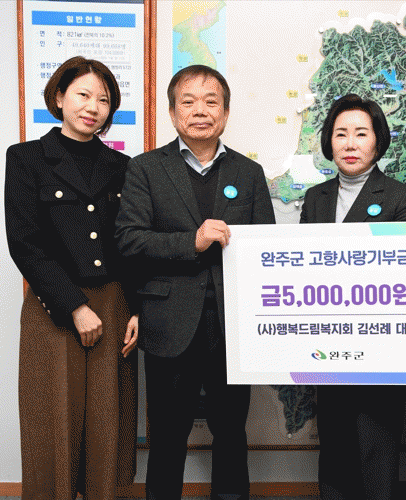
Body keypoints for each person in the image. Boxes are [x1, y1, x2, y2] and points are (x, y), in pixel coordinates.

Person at [115, 65, 275, 500]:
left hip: (232, 326)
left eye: (211, 101)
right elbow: (129, 240)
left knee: (231, 431)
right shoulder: (146, 169)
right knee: (168, 434)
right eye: (188, 102)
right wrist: (193, 241)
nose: (200, 111)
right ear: (172, 113)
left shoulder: (248, 172)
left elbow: (264, 249)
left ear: (225, 112)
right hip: (169, 322)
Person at [5, 56, 138, 500]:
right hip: (54, 306)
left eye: (104, 99)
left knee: (107, 421)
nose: (93, 107)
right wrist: (75, 306)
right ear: (60, 97)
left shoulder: (123, 166)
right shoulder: (25, 158)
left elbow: (129, 243)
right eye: (83, 95)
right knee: (52, 421)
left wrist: (137, 309)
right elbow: (24, 242)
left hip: (114, 304)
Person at [300, 93, 406, 500]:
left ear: (378, 140)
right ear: (329, 142)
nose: (350, 144)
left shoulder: (402, 198)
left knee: (375, 444)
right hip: (328, 342)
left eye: (361, 133)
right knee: (334, 441)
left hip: (379, 345)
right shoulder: (316, 198)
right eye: (341, 134)